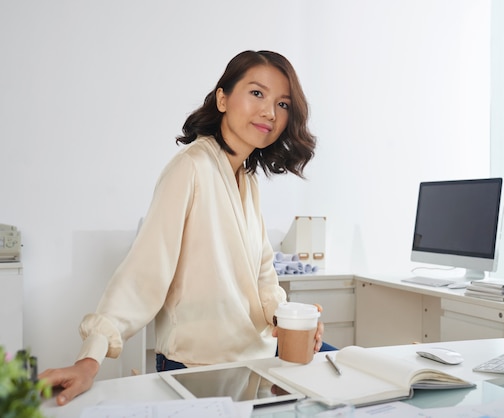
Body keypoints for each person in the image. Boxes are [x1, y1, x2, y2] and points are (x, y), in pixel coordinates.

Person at [39, 50, 324, 405]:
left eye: (283, 104)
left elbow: (263, 273)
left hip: (253, 361)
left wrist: (284, 316)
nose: (270, 111)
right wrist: (89, 358)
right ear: (222, 98)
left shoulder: (246, 178)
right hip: (198, 368)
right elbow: (142, 275)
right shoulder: (190, 168)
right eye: (256, 93)